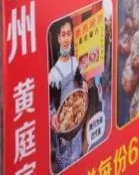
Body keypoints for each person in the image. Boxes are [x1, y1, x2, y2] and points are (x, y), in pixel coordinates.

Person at [49, 18, 87, 172]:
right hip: (63, 125)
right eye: (63, 35)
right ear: (58, 38)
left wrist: (82, 81)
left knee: (78, 155)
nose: (66, 39)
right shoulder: (54, 74)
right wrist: (52, 116)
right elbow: (50, 103)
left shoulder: (74, 62)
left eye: (69, 34)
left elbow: (79, 78)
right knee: (65, 161)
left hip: (76, 119)